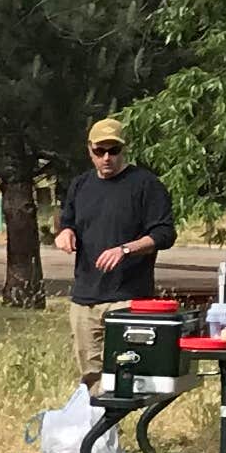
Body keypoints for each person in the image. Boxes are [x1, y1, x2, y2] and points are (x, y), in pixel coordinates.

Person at [56, 117, 177, 376]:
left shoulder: (146, 185)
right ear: (89, 150)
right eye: (100, 151)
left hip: (127, 297)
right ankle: (96, 416)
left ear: (124, 150)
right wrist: (65, 233)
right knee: (91, 376)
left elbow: (164, 234)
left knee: (125, 372)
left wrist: (125, 249)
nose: (107, 157)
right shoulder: (80, 185)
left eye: (114, 150)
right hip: (85, 298)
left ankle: (123, 416)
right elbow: (68, 222)